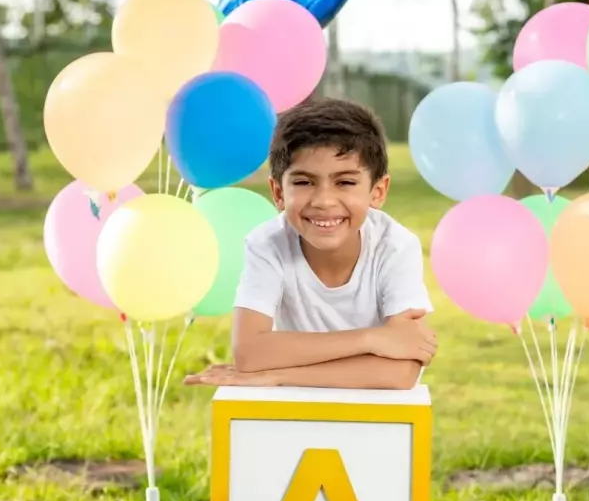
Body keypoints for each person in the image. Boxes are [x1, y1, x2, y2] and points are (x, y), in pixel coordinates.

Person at [185, 97, 437, 391]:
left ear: (378, 191)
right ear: (279, 193)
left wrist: (277, 374)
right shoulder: (267, 244)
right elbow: (249, 353)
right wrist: (372, 339)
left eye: (345, 182)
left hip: (377, 408)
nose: (324, 201)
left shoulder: (395, 247)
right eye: (304, 182)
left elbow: (400, 373)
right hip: (297, 405)